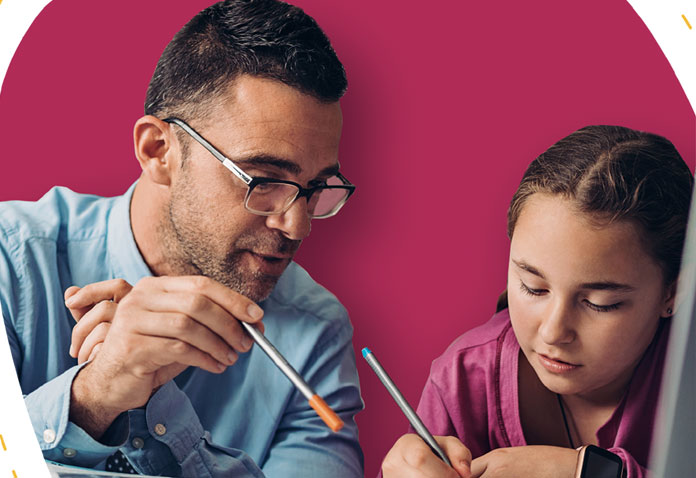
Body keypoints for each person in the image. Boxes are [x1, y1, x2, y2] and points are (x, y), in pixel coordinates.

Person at [0, 1, 363, 476]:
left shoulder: (313, 332)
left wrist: (159, 413)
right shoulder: (14, 260)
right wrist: (91, 398)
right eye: (262, 179)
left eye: (315, 189)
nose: (296, 226)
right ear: (158, 150)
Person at [380, 125, 693, 478]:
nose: (553, 331)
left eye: (599, 303)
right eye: (533, 287)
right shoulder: (464, 378)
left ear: (673, 292)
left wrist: (588, 472)